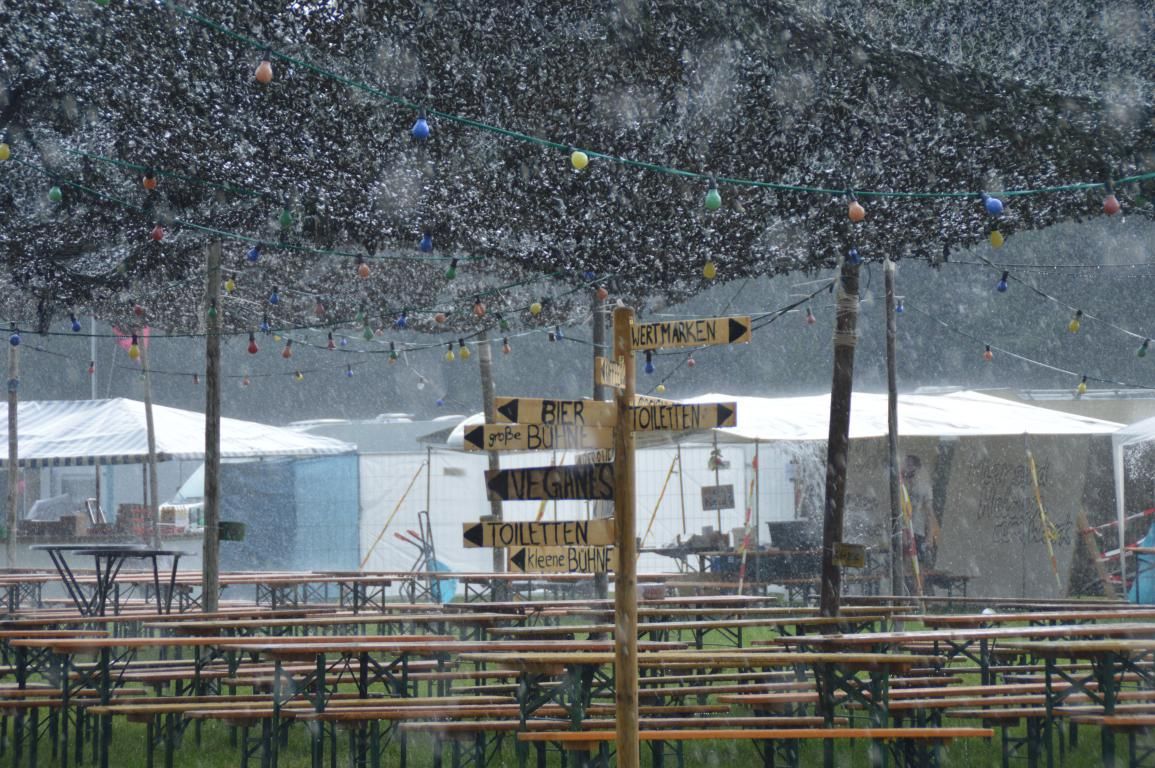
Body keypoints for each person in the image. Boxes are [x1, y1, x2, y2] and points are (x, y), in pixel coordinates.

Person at [901, 455, 939, 569]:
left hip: (917, 532)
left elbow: (929, 513)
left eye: (910, 465)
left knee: (918, 566)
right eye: (906, 465)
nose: (907, 468)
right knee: (904, 564)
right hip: (902, 531)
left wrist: (929, 536)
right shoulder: (900, 486)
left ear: (917, 468)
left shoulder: (924, 488)